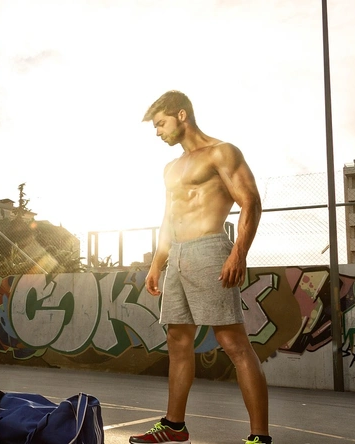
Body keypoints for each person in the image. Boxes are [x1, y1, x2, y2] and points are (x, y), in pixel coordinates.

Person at [129, 91, 271, 444]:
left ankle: (259, 437)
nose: (157, 132)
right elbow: (169, 218)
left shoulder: (222, 152)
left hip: (210, 249)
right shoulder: (171, 168)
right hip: (176, 254)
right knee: (178, 340)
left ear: (181, 115)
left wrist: (238, 253)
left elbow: (250, 201)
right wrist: (156, 263)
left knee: (232, 341)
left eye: (160, 123)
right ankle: (174, 426)